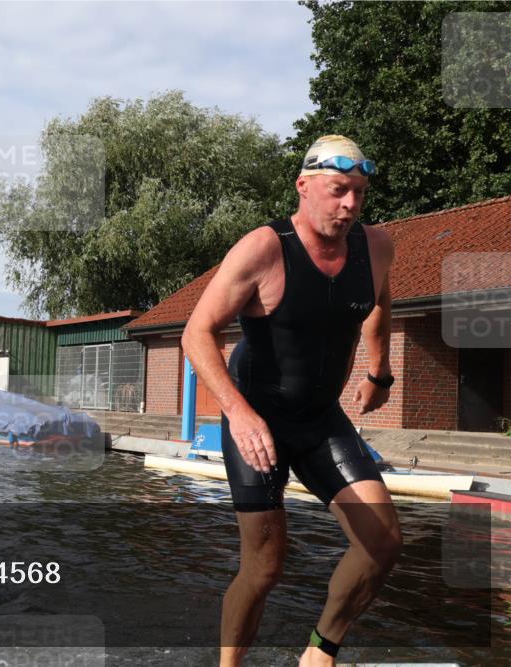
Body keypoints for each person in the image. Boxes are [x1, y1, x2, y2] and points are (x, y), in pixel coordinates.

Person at [181, 135, 401, 667]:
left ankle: (319, 652)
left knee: (384, 539)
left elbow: (378, 298)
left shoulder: (377, 246)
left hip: (321, 418)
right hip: (259, 422)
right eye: (338, 190)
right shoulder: (264, 248)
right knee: (265, 566)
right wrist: (237, 412)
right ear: (304, 187)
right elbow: (196, 332)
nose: (350, 205)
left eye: (360, 194)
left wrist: (380, 370)